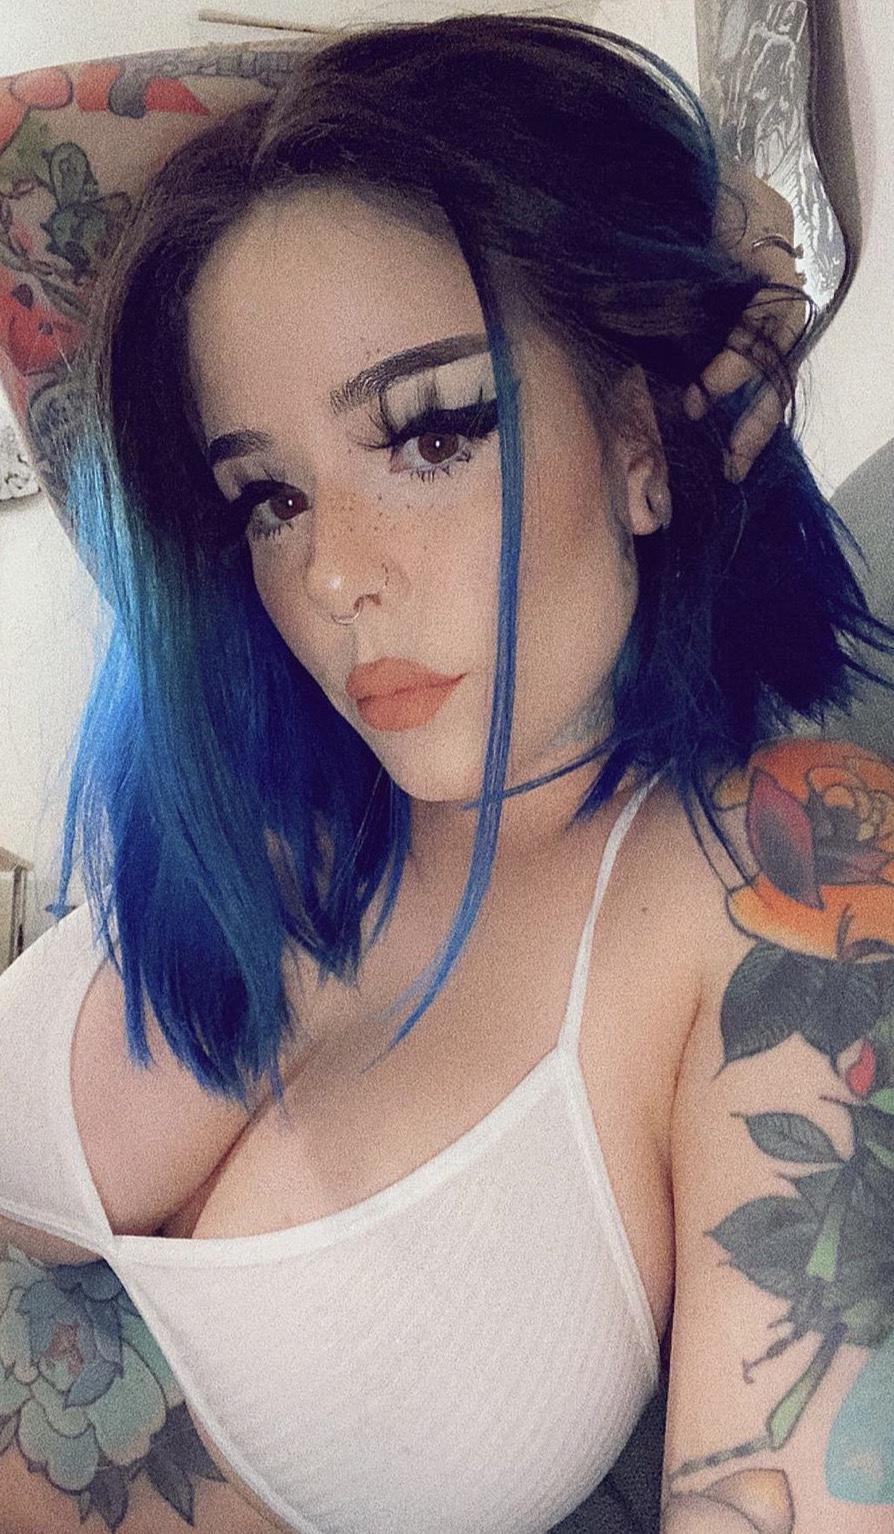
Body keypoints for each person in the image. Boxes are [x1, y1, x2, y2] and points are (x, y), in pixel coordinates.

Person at [0, 14, 892, 1534]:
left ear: (641, 432)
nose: (333, 575)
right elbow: (28, 159)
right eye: (269, 496)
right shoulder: (278, 789)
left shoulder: (775, 874)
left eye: (430, 435)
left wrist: (679, 221)